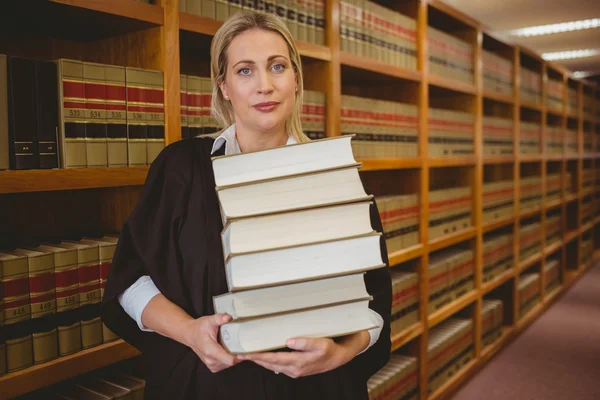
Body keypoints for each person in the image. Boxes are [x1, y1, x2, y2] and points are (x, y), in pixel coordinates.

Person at [100, 10, 392, 400]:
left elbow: (374, 302)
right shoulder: (180, 169)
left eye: (277, 67)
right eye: (244, 71)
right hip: (206, 386)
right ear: (223, 86)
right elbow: (131, 281)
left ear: (296, 80)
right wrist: (190, 331)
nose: (264, 85)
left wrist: (340, 352)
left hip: (315, 389)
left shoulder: (336, 175)